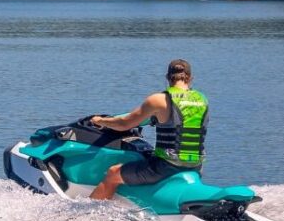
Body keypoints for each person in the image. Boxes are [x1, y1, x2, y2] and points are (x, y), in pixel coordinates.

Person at [88, 59, 208, 200]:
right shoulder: (202, 100)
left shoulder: (159, 100)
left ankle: (88, 213)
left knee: (113, 173)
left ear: (167, 77)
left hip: (167, 166)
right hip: (196, 166)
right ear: (190, 78)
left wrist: (100, 120)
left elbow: (123, 124)